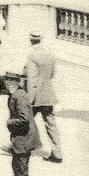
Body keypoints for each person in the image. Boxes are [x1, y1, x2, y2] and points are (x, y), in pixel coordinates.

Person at [3, 71, 40, 176]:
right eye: (6, 81)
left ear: (17, 82)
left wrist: (9, 123)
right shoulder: (16, 94)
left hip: (24, 139)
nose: (8, 84)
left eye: (11, 81)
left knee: (22, 173)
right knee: (17, 168)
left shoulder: (20, 96)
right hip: (21, 139)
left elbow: (24, 119)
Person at [24, 29, 62, 163]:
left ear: (31, 40)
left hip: (36, 96)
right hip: (48, 94)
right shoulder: (49, 55)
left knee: (25, 121)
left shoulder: (32, 56)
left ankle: (21, 148)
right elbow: (52, 75)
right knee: (51, 124)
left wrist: (30, 99)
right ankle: (57, 153)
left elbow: (32, 79)